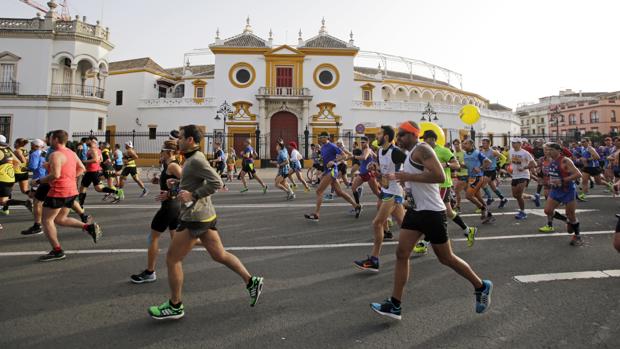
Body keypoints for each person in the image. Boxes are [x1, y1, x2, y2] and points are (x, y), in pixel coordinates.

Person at [370, 121, 492, 320]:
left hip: (433, 212)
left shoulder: (422, 149)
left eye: (402, 134)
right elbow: (415, 177)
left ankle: (481, 286)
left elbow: (437, 175)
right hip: (416, 211)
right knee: (401, 254)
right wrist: (404, 181)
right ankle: (395, 305)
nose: (398, 138)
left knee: (446, 258)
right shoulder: (410, 154)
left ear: (412, 135)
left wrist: (408, 176)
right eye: (398, 134)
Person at [148, 125, 263, 320]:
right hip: (205, 215)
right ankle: (251, 281)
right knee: (219, 255)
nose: (178, 141)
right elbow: (193, 182)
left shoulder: (196, 160)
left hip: (194, 217)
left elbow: (217, 182)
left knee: (172, 259)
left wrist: (193, 194)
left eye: (182, 137)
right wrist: (175, 187)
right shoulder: (191, 159)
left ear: (191, 140)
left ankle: (175, 305)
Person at [35, 130, 102, 262]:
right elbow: (82, 168)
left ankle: (57, 251)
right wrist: (70, 177)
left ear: (55, 139)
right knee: (60, 219)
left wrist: (37, 181)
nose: (48, 140)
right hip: (71, 191)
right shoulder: (71, 153)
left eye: (50, 138)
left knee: (46, 221)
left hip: (58, 191)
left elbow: (55, 175)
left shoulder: (55, 154)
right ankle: (88, 227)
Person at [414, 130, 478, 255]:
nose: (423, 141)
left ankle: (425, 242)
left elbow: (457, 165)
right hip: (431, 186)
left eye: (425, 139)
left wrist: (445, 164)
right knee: (448, 212)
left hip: (443, 185)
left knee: (435, 212)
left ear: (432, 139)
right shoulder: (425, 152)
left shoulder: (443, 150)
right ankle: (468, 230)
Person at [131, 140, 184, 283]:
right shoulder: (168, 165)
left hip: (170, 206)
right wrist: (159, 180)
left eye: (162, 151)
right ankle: (178, 265)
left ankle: (150, 272)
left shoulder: (173, 165)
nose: (160, 153)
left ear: (169, 152)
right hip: (173, 206)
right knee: (177, 239)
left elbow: (186, 181)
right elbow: (172, 181)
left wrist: (170, 194)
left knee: (152, 238)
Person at [354, 126, 406, 272]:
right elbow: (382, 175)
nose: (376, 136)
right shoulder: (380, 151)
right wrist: (374, 170)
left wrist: (399, 175)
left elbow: (410, 166)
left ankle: (374, 259)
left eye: (379, 134)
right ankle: (423, 241)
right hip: (386, 190)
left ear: (387, 137)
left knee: (377, 223)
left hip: (394, 193)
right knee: (405, 224)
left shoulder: (395, 152)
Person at [304, 132, 361, 222]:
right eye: (319, 136)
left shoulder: (332, 146)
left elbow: (345, 156)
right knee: (339, 193)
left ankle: (316, 214)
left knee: (319, 191)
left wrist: (334, 161)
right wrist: (323, 171)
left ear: (327, 137)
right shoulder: (322, 148)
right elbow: (324, 161)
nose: (320, 138)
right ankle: (356, 206)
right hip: (327, 171)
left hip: (332, 171)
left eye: (322, 137)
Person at [537, 143, 584, 246]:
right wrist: (547, 182)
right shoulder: (549, 161)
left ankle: (577, 236)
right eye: (548, 150)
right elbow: (553, 175)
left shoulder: (565, 160)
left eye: (551, 150)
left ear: (559, 151)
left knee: (571, 216)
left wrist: (562, 180)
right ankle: (566, 220)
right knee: (548, 210)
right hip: (555, 190)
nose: (549, 152)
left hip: (568, 190)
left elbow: (578, 174)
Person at [78, 138, 123, 207]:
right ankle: (117, 192)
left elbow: (96, 160)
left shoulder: (92, 150)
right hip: (94, 171)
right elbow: (101, 159)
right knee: (98, 188)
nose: (86, 142)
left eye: (87, 140)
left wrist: (84, 161)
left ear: (91, 141)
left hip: (91, 171)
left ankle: (80, 205)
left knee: (83, 188)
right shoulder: (98, 150)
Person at [461, 139, 494, 223]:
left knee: (468, 196)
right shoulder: (465, 154)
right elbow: (468, 166)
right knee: (478, 197)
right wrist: (462, 165)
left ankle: (483, 209)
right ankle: (489, 215)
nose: (463, 145)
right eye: (463, 144)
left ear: (471, 145)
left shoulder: (477, 153)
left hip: (478, 177)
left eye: (465, 143)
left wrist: (480, 168)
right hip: (471, 177)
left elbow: (488, 162)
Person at [21, 138, 48, 236]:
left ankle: (38, 224)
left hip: (38, 179)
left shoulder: (34, 153)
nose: (31, 146)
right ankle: (30, 203)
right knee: (33, 195)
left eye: (32, 144)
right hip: (46, 178)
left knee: (37, 202)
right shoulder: (46, 152)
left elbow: (33, 166)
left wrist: (26, 167)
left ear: (35, 145)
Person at [0, 137, 32, 215]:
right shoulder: (8, 150)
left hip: (1, 179)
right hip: (9, 178)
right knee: (3, 201)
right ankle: (24, 203)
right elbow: (17, 162)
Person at [509, 138, 537, 220]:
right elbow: (511, 162)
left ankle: (523, 212)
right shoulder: (511, 151)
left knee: (519, 194)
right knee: (515, 195)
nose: (513, 144)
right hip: (515, 175)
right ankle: (533, 197)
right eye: (512, 143)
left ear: (520, 144)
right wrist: (509, 167)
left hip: (524, 175)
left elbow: (534, 164)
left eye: (515, 143)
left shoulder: (525, 153)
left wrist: (525, 167)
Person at [350, 136, 380, 207]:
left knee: (377, 193)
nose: (362, 144)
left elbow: (364, 157)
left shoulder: (367, 150)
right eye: (361, 142)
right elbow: (377, 158)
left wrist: (354, 157)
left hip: (369, 174)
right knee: (353, 188)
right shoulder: (367, 150)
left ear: (367, 142)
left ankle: (387, 203)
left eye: (363, 142)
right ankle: (358, 206)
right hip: (362, 174)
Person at [479, 137, 509, 208]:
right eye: (482, 143)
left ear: (489, 144)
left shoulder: (493, 152)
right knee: (494, 188)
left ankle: (490, 198)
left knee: (482, 184)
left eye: (484, 143)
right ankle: (503, 199)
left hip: (491, 171)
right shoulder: (482, 152)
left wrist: (499, 166)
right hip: (485, 171)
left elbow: (504, 158)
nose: (483, 144)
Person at [452, 139, 468, 212]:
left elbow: (467, 166)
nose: (456, 146)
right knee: (470, 194)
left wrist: (459, 164)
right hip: (458, 175)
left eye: (457, 144)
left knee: (456, 191)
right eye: (455, 144)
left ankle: (457, 206)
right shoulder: (454, 154)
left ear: (460, 144)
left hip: (465, 175)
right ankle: (481, 206)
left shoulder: (464, 153)